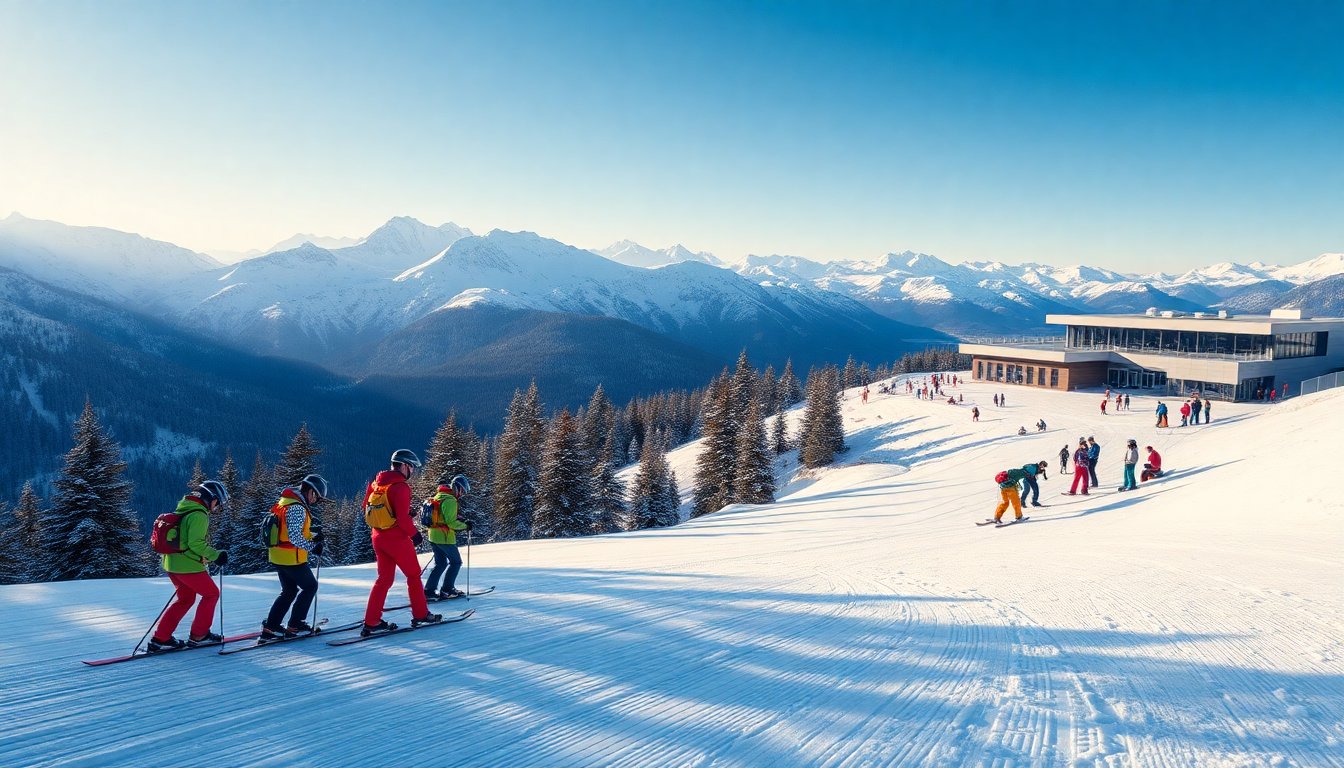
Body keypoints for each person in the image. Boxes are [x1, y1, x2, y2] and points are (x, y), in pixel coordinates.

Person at [361, 449, 441, 636]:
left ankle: (372, 621)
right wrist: (415, 535)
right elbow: (403, 521)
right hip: (396, 539)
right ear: (404, 466)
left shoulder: (376, 484)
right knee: (413, 575)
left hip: (377, 537)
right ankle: (421, 614)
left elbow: (366, 507)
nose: (412, 471)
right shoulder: (401, 487)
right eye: (411, 467)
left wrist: (403, 514)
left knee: (384, 580)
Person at [149, 480, 230, 652]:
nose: (217, 507)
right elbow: (196, 544)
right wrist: (216, 555)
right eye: (217, 502)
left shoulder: (184, 508)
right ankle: (199, 635)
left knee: (185, 599)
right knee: (211, 594)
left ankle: (160, 638)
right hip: (188, 566)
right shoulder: (199, 515)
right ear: (211, 498)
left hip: (171, 563)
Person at [261, 474, 328, 640]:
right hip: (291, 558)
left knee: (289, 591)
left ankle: (271, 626)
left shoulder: (285, 502)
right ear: (311, 491)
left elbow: (290, 531)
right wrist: (313, 547)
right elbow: (294, 537)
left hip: (278, 555)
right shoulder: (297, 508)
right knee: (310, 586)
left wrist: (313, 537)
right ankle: (295, 624)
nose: (315, 501)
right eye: (316, 497)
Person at [423, 475, 472, 599]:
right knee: (456, 562)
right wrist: (466, 526)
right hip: (444, 537)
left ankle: (429, 591)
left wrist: (460, 519)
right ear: (457, 488)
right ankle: (447, 589)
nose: (462, 494)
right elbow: (451, 523)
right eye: (462, 491)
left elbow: (441, 514)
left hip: (433, 535)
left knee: (440, 564)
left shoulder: (439, 496)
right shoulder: (451, 500)